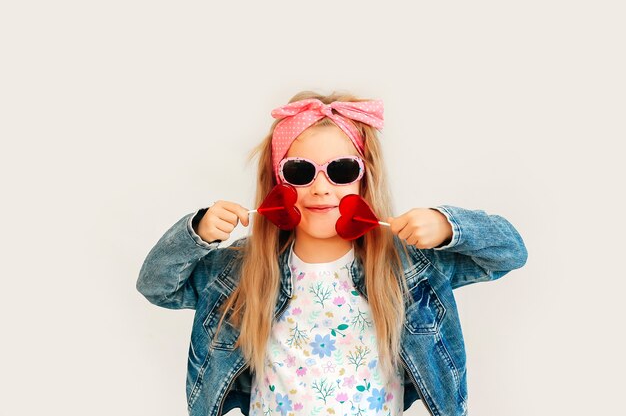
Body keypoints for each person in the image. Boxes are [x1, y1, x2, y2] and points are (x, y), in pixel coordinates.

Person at [136, 90, 528, 416]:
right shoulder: (241, 270)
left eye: (340, 170)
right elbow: (158, 286)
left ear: (364, 177)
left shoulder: (407, 264)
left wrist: (447, 226)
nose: (321, 188)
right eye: (300, 172)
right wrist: (197, 231)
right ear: (277, 181)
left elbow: (508, 252)